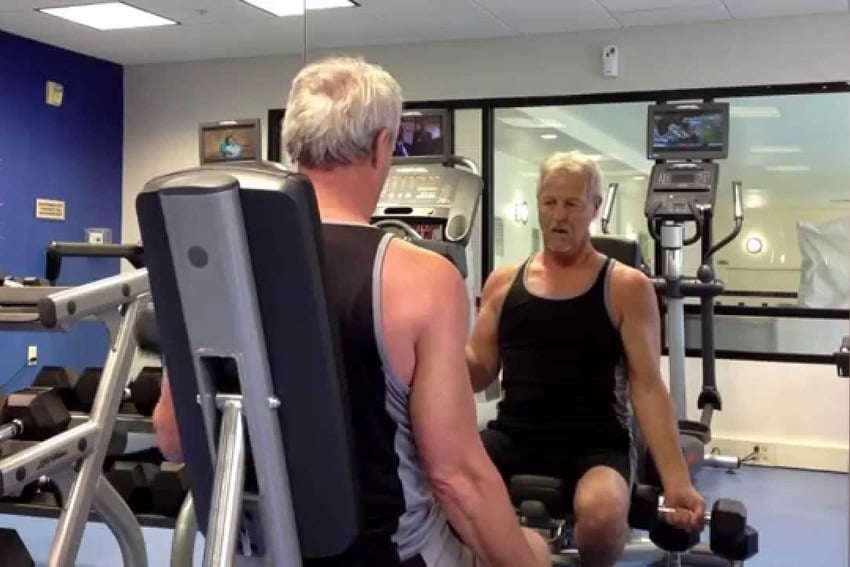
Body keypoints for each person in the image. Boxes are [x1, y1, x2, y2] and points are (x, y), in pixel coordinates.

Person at [152, 56, 549, 567]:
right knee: (535, 549)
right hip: (389, 555)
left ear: (293, 144)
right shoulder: (422, 279)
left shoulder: (213, 267)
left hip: (256, 555)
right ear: (383, 145)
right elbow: (457, 479)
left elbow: (173, 438)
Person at [466, 151, 706, 567]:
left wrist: (677, 483)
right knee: (448, 488)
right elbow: (479, 369)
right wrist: (428, 347)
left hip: (597, 443)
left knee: (602, 514)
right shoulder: (503, 282)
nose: (559, 215)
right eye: (549, 202)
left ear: (594, 207)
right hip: (513, 435)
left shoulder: (626, 287)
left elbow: (648, 386)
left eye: (572, 204)